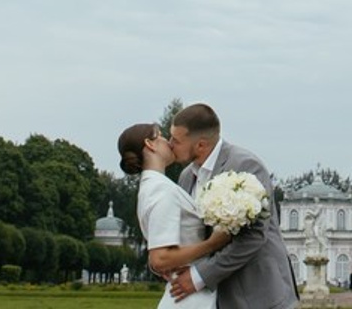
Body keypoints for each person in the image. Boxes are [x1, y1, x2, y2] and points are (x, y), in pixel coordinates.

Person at [160, 103, 297, 309]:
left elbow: (254, 237)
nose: (169, 144)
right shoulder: (186, 177)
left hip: (258, 295)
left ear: (201, 145)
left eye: (176, 140)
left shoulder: (247, 167)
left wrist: (199, 276)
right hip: (212, 299)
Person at [117, 122, 230, 309]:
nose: (168, 141)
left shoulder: (152, 187)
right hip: (190, 296)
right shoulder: (161, 189)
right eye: (160, 136)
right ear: (150, 144)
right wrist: (212, 243)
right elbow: (160, 258)